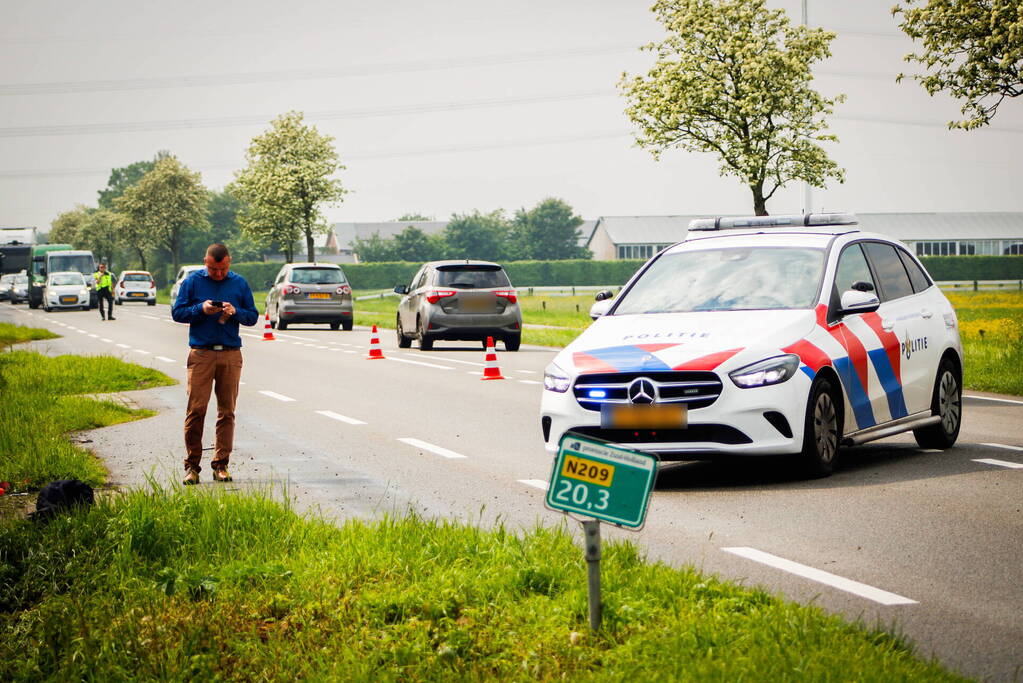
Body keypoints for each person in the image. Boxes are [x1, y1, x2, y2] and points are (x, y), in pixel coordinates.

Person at [171, 244, 259, 485]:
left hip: (230, 354)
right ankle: (192, 467)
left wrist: (235, 311)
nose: (218, 274)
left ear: (229, 262)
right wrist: (201, 308)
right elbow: (177, 313)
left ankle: (221, 465)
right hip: (201, 354)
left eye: (222, 269)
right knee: (196, 410)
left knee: (227, 411)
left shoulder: (239, 283)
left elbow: (252, 316)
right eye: (212, 269)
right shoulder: (192, 282)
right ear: (205, 262)